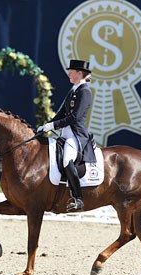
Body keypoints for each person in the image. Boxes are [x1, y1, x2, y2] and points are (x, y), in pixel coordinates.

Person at [37, 59, 96, 212]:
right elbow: (61, 113)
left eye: (71, 71)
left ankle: (78, 198)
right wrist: (46, 126)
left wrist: (53, 126)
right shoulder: (74, 90)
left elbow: (75, 117)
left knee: (67, 161)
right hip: (64, 134)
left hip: (76, 136)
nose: (68, 73)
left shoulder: (85, 92)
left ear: (79, 73)